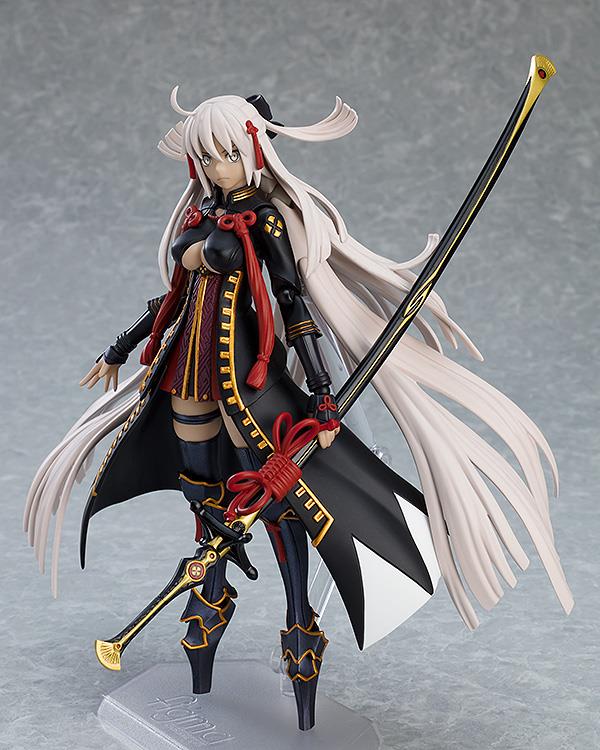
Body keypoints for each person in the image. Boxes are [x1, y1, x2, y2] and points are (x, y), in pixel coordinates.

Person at [25, 91, 573, 732]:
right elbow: (174, 298)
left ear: (254, 151)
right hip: (187, 371)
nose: (217, 166)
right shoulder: (203, 212)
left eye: (227, 154)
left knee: (279, 507)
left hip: (249, 385)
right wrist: (119, 348)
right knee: (206, 502)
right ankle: (208, 602)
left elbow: (293, 303)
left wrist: (320, 391)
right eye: (207, 156)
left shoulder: (265, 220)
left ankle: (298, 627)